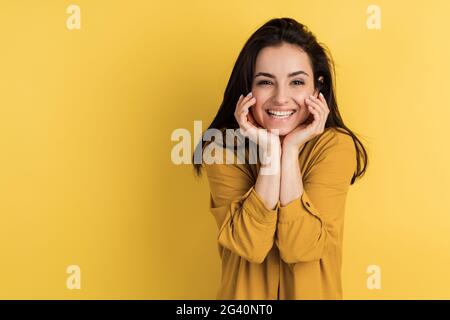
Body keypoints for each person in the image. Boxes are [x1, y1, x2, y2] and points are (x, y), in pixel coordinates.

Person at [192, 17, 368, 300]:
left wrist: (290, 154)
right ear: (247, 90)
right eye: (265, 82)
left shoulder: (335, 147)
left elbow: (302, 248)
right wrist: (273, 152)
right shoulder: (221, 148)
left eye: (297, 81)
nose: (281, 98)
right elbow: (250, 245)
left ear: (317, 90)